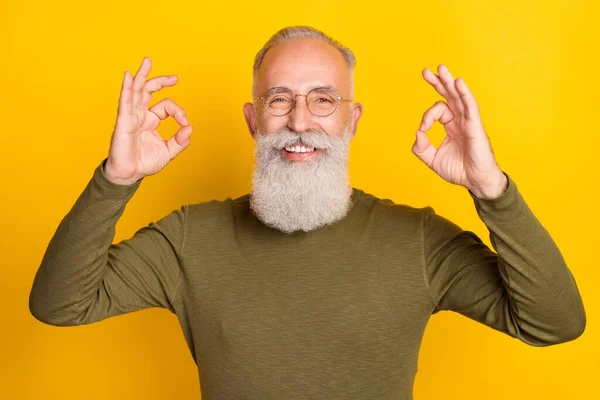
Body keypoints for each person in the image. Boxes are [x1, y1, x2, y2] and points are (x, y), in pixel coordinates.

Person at [29, 26, 586, 400]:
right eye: (279, 99)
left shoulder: (416, 240)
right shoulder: (189, 238)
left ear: (352, 119)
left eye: (323, 99)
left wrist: (492, 190)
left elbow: (553, 323)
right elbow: (59, 305)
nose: (300, 120)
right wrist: (116, 180)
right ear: (254, 119)